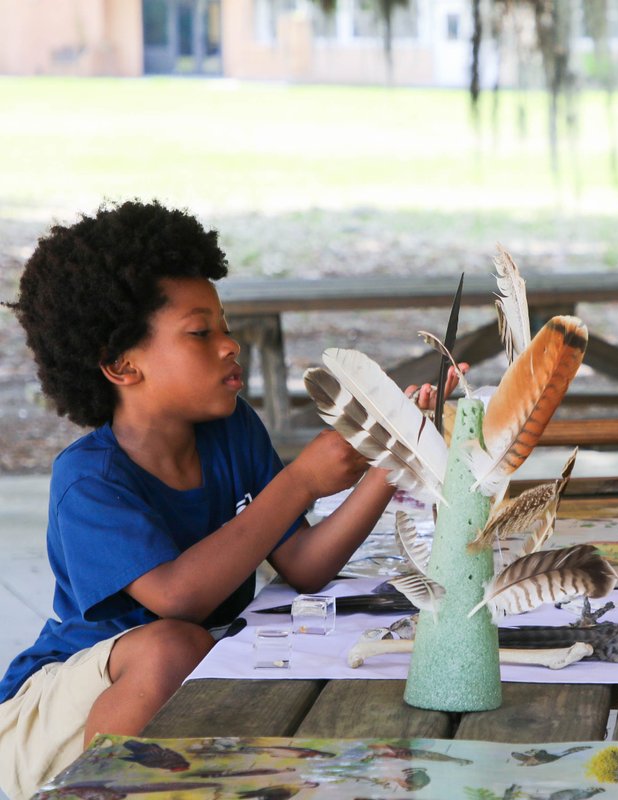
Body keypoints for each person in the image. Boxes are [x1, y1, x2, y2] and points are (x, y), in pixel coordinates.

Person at [0, 200, 461, 799]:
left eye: (223, 325)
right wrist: (297, 482)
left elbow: (304, 565)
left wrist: (389, 455)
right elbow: (177, 599)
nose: (228, 345)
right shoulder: (90, 482)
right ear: (121, 365)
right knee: (172, 645)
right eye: (201, 333)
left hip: (190, 679)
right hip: (56, 714)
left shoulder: (232, 430)